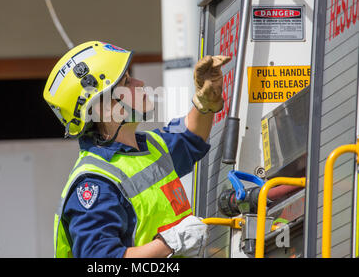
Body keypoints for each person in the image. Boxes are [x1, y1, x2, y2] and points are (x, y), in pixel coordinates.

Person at [43, 41, 230, 258]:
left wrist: (205, 101)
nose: (140, 83)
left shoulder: (149, 146)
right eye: (127, 82)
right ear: (102, 106)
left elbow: (191, 136)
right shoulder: (95, 184)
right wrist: (170, 243)